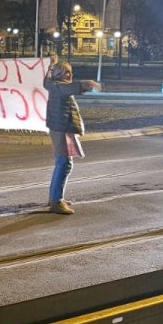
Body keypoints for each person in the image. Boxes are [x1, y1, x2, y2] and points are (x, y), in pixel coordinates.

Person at [44, 54, 100, 214]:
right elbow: (70, 88)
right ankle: (56, 201)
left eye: (70, 72)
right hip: (62, 129)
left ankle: (55, 197)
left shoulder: (51, 84)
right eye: (66, 72)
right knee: (63, 164)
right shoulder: (59, 87)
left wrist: (52, 64)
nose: (70, 75)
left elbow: (47, 81)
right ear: (59, 74)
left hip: (61, 128)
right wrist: (87, 84)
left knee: (63, 163)